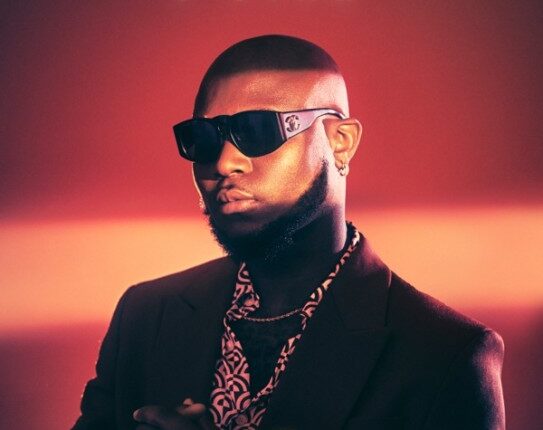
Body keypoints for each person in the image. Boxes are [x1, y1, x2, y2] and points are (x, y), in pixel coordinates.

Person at [73, 35, 505, 430]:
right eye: (202, 138)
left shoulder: (444, 355)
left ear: (340, 142)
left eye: (258, 130)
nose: (224, 163)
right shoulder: (145, 316)